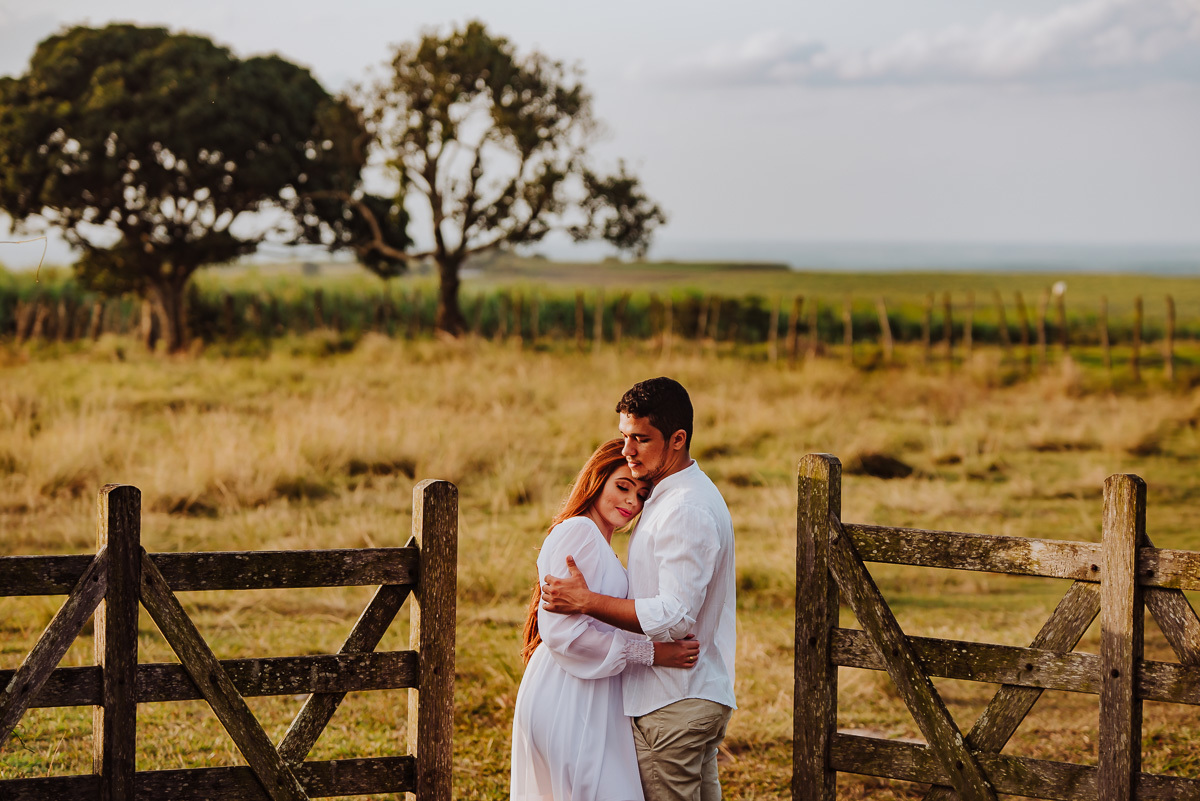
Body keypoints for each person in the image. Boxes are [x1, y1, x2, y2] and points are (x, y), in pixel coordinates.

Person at [541, 377, 736, 801]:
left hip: (672, 703)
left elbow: (675, 616)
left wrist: (588, 601)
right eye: (624, 437)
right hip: (688, 697)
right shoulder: (676, 497)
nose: (628, 451)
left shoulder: (684, 507)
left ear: (678, 439)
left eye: (641, 439)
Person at [511, 438, 701, 801]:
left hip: (591, 694)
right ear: (597, 480)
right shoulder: (580, 532)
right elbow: (564, 634)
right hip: (567, 696)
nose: (632, 501)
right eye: (622, 486)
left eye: (642, 494)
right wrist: (652, 654)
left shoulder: (602, 543)